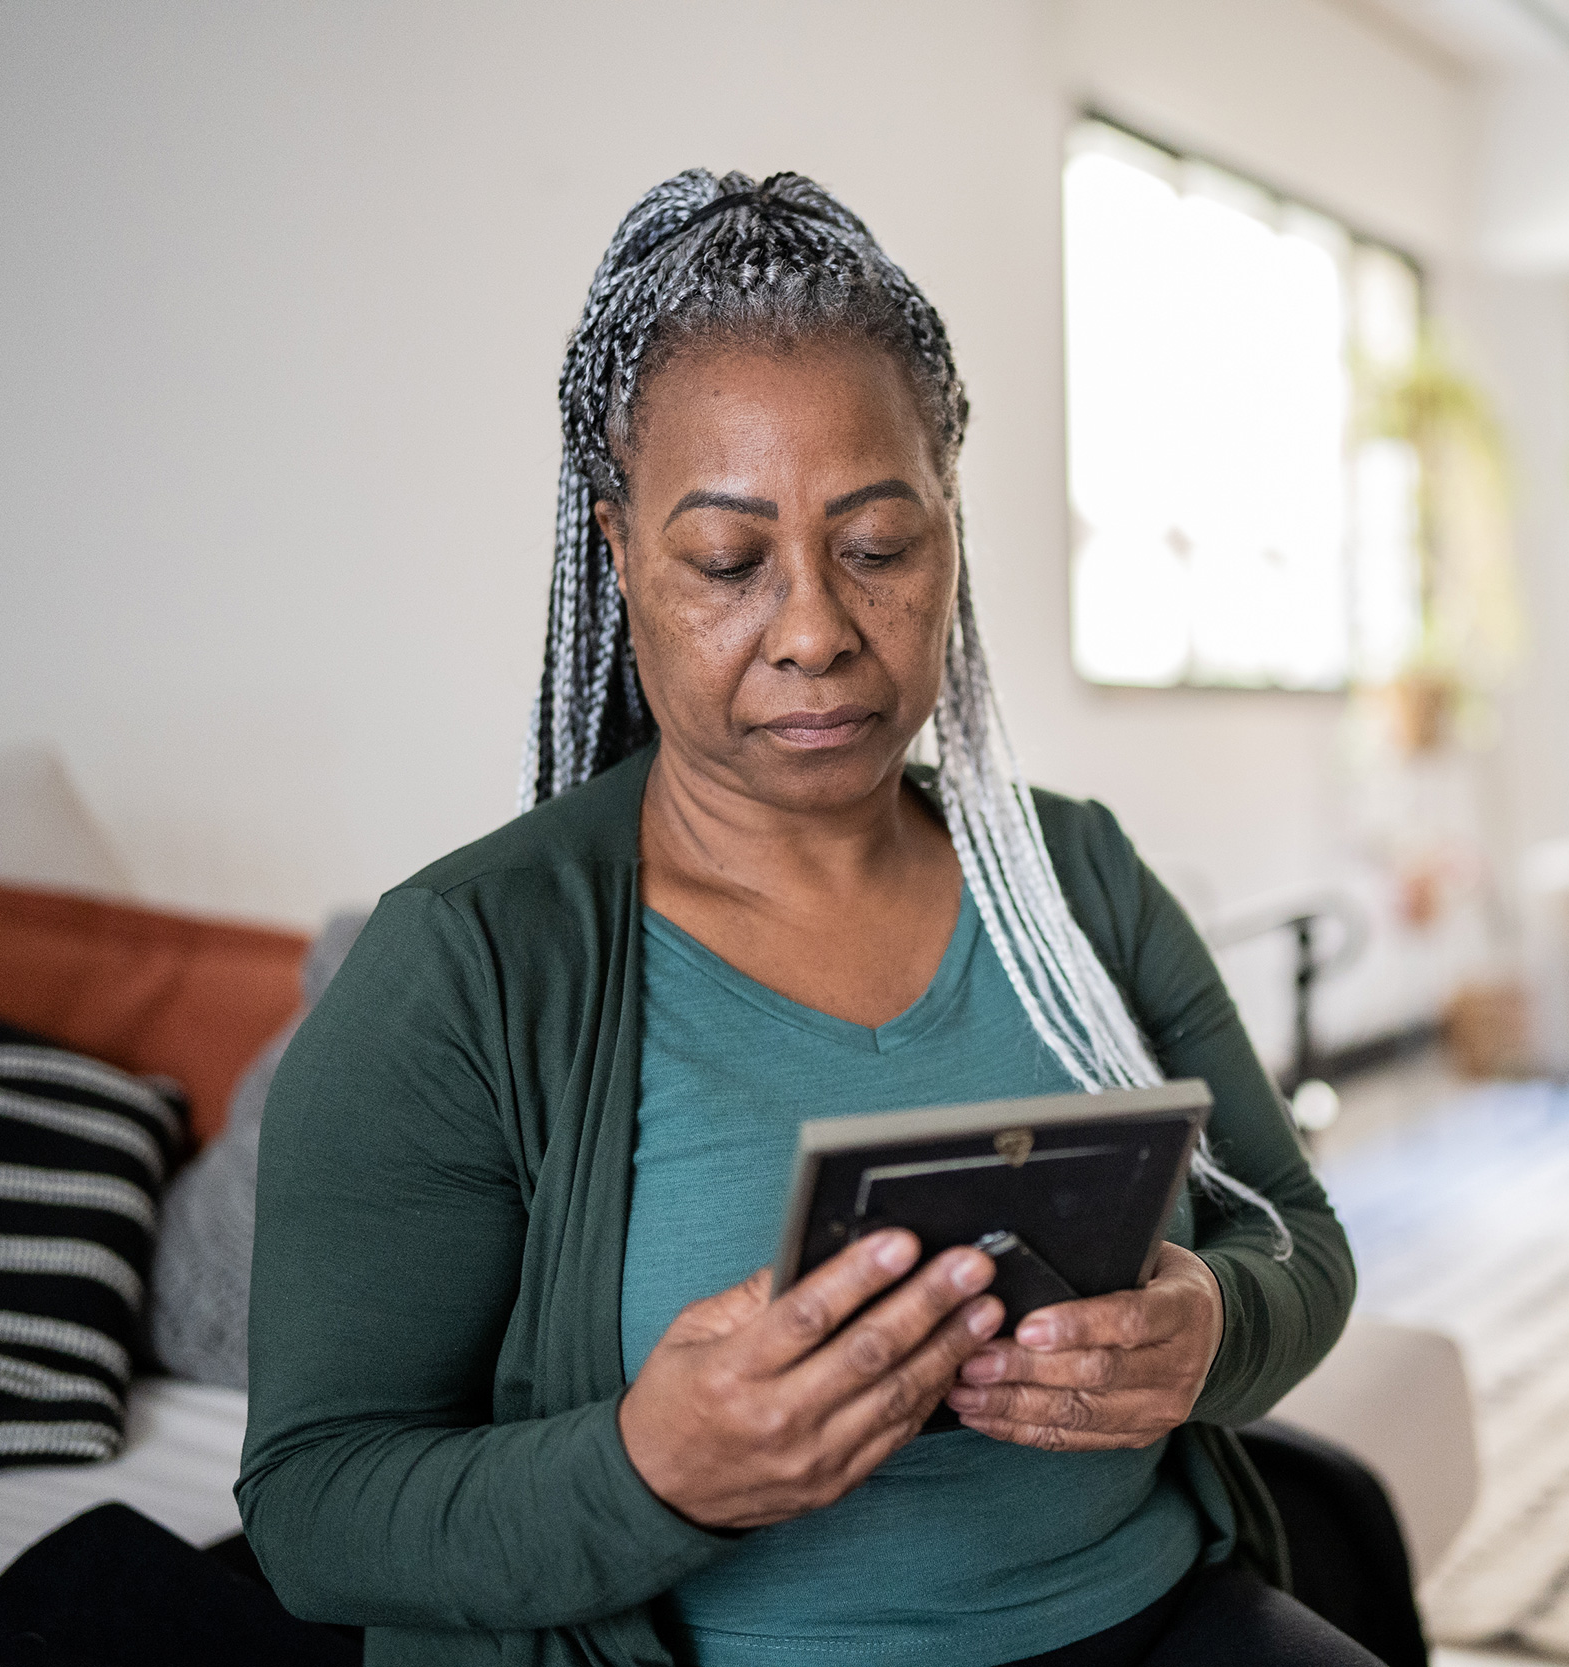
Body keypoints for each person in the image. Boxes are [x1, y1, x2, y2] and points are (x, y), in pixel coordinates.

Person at [237, 170, 1367, 1667]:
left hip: (1153, 1619)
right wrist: (651, 1469)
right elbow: (316, 1510)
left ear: (951, 531)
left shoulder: (1073, 881)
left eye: (880, 545)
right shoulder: (469, 966)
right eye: (726, 561)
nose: (819, 627)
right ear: (619, 548)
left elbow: (1303, 1246)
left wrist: (1210, 1330)